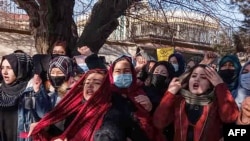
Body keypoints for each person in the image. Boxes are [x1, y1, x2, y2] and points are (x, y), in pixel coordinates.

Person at [153, 64, 239, 141]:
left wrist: (220, 85)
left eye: (203, 77)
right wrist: (170, 93)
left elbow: (230, 117)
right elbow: (159, 123)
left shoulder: (216, 104)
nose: (197, 79)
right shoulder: (178, 101)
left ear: (210, 84)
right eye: (193, 76)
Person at [29, 69, 111, 141]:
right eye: (87, 82)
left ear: (105, 87)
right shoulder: (72, 108)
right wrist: (44, 127)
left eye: (97, 83)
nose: (90, 86)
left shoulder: (111, 112)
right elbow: (56, 131)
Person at [0, 53, 51, 141]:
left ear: (21, 69)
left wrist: (38, 92)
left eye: (9, 68)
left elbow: (44, 115)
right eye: (2, 68)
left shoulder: (31, 89)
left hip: (22, 137)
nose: (4, 72)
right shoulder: (1, 91)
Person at [107, 55, 155, 140]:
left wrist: (150, 108)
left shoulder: (142, 91)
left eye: (126, 71)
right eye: (118, 71)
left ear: (132, 73)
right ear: (111, 73)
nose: (122, 74)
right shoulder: (105, 94)